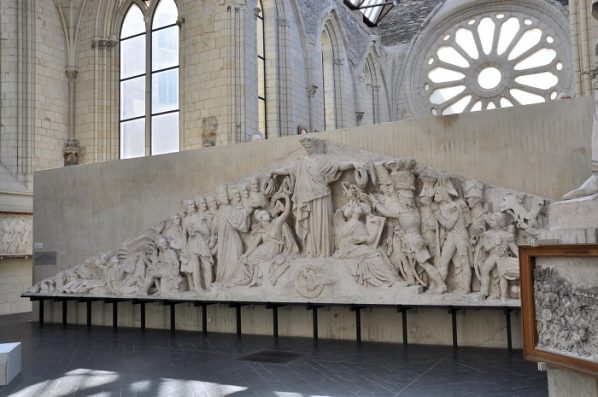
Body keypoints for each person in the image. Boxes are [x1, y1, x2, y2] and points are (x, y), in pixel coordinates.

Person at [270, 135, 355, 257]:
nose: (308, 148)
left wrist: (353, 164)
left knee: (321, 225)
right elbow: (289, 170)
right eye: (306, 146)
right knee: (308, 226)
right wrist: (274, 171)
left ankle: (323, 252)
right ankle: (309, 251)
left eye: (310, 145)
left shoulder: (323, 159)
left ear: (315, 146)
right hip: (304, 198)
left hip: (321, 196)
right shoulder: (301, 162)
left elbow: (338, 166)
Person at [334, 201, 398, 287]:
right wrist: (377, 226)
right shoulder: (357, 224)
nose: (360, 208)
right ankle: (390, 280)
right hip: (350, 249)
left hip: (347, 248)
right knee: (375, 254)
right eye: (358, 208)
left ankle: (391, 278)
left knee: (378, 252)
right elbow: (370, 240)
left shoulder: (348, 224)